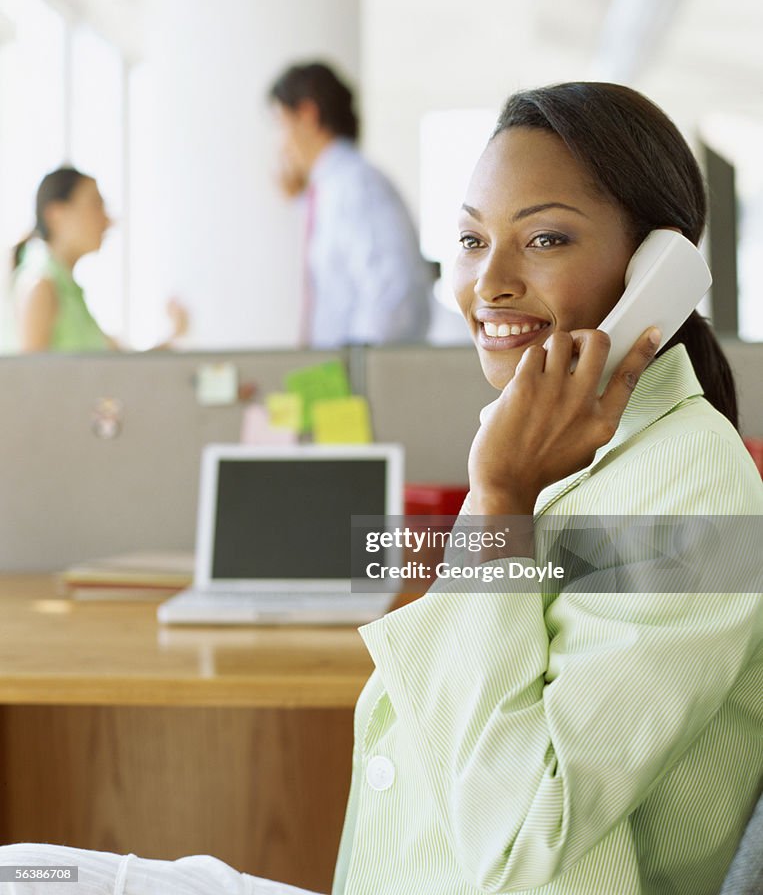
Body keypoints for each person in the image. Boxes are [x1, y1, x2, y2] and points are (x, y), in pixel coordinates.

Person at [1, 82, 761, 894]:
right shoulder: (550, 454)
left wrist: (498, 499)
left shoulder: (692, 489)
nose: (488, 283)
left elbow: (518, 839)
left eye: (542, 238)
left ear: (659, 270)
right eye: (470, 240)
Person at [268, 61, 431, 347]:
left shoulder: (357, 186)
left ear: (307, 115)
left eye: (282, 124)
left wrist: (357, 367)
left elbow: (393, 292)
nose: (281, 144)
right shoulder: (327, 191)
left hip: (355, 377)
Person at [7, 166, 187, 352]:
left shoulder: (70, 293)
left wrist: (175, 333)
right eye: (96, 205)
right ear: (56, 215)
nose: (108, 220)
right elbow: (29, 378)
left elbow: (123, 364)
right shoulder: (40, 287)